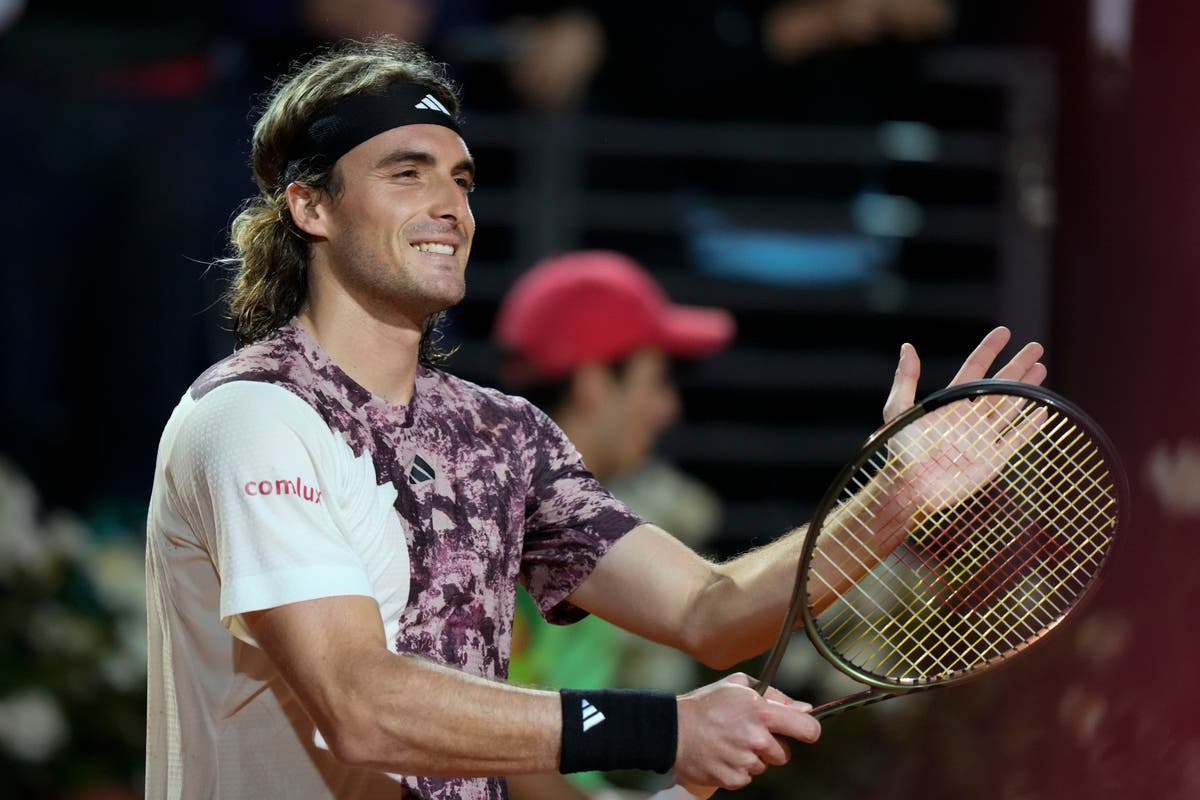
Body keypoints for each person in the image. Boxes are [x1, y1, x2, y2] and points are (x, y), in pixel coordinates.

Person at [144, 35, 1048, 800]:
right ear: (309, 207)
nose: (449, 206)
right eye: (404, 173)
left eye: (460, 179)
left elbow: (710, 611)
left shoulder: (503, 436)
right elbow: (361, 706)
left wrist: (894, 498)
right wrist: (657, 731)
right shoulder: (255, 417)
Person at [493, 250, 735, 800]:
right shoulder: (504, 526)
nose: (667, 408)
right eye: (657, 379)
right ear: (593, 381)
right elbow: (496, 749)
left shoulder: (567, 519)